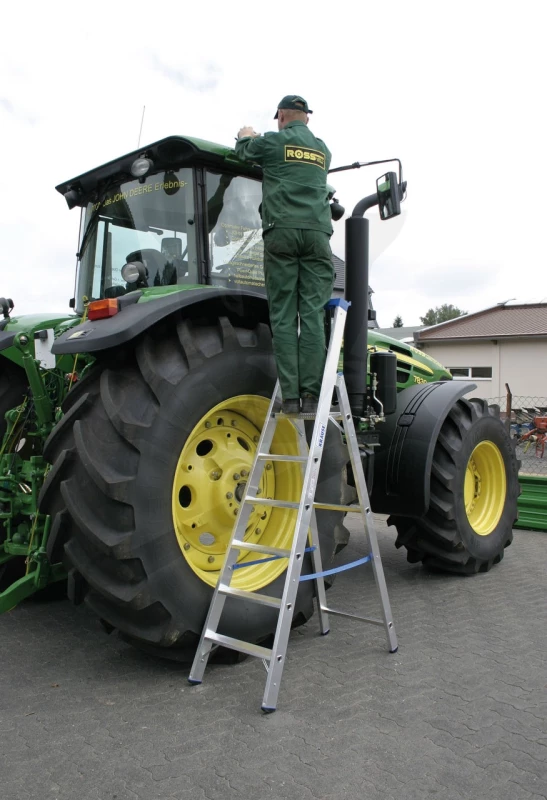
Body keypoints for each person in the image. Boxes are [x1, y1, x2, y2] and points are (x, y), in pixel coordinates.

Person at [235, 95, 333, 415]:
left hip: (282, 233)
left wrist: (245, 134)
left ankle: (290, 397)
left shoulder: (273, 144)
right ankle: (312, 396)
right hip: (318, 236)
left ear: (280, 117)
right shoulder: (322, 151)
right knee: (313, 316)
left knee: (284, 316)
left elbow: (246, 151)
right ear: (307, 118)